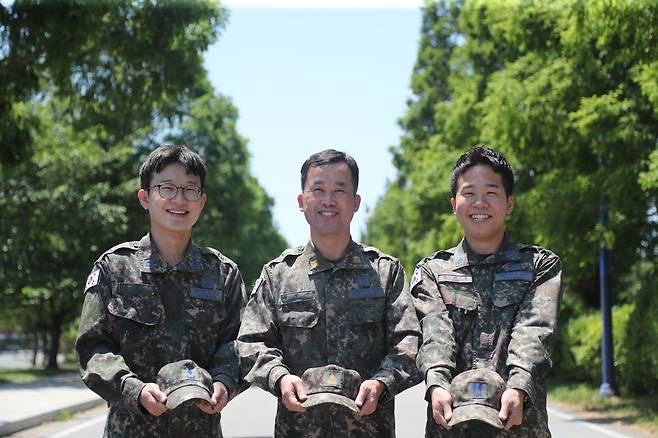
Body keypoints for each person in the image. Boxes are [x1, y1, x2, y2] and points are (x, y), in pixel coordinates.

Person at [237, 149, 421, 437]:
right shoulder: (278, 274)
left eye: (339, 190)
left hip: (370, 428)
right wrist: (280, 378)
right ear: (301, 201)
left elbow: (408, 342)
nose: (328, 200)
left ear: (356, 202)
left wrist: (383, 383)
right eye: (318, 189)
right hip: (298, 429)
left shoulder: (385, 272)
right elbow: (252, 342)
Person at [75, 144, 246, 438]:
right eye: (167, 188)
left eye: (190, 190)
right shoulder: (114, 267)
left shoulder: (222, 273)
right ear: (145, 197)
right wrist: (134, 390)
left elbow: (238, 345)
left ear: (201, 201)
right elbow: (92, 347)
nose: (179, 199)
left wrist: (224, 382)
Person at [411, 145, 562, 437]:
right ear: (454, 203)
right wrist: (437, 383)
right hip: (451, 423)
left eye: (491, 193)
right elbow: (434, 336)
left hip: (518, 423)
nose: (479, 203)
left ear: (509, 203)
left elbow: (534, 332)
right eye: (469, 193)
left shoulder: (540, 266)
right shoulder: (432, 271)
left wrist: (518, 385)